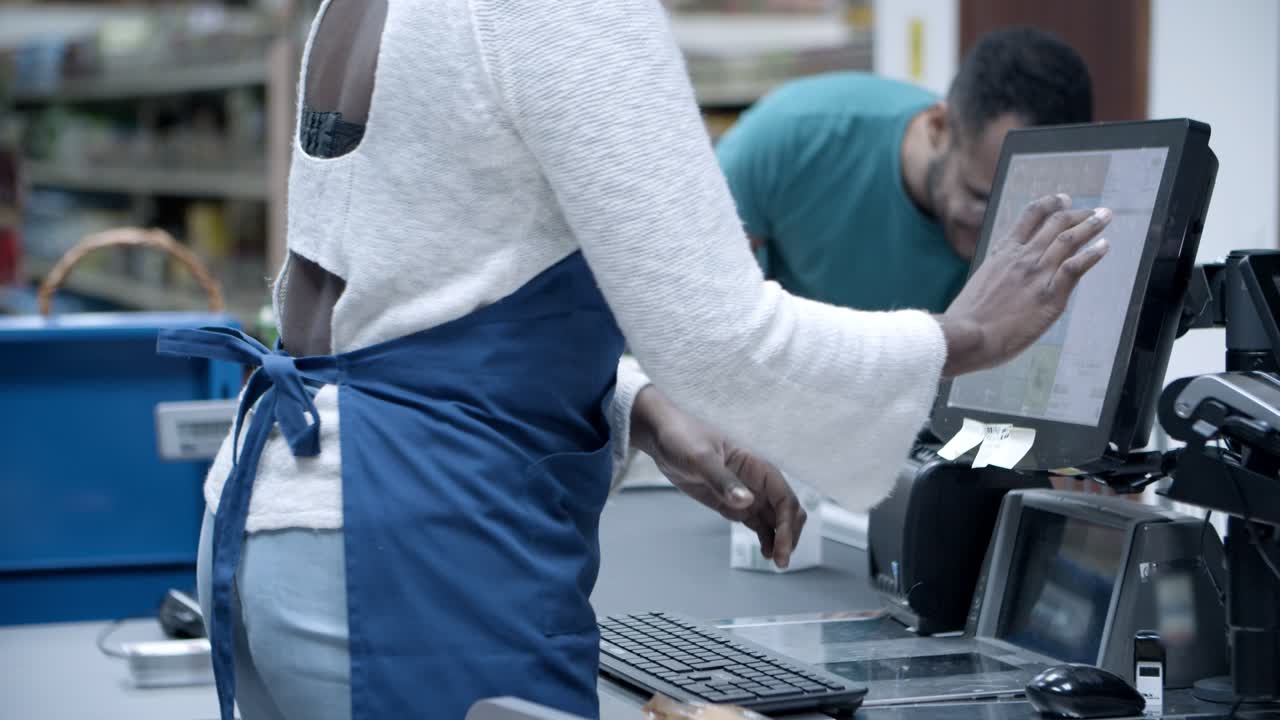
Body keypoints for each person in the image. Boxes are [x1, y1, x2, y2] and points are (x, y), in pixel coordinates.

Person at [157, 2, 1111, 719]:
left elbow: (414, 297)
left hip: (284, 525)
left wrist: (646, 410)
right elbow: (727, 337)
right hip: (415, 557)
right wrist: (964, 336)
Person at [717, 27, 1094, 313]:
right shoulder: (790, 137)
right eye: (981, 198)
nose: (1002, 233)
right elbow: (704, 302)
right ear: (938, 127)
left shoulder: (1054, 226)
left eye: (1028, 207)